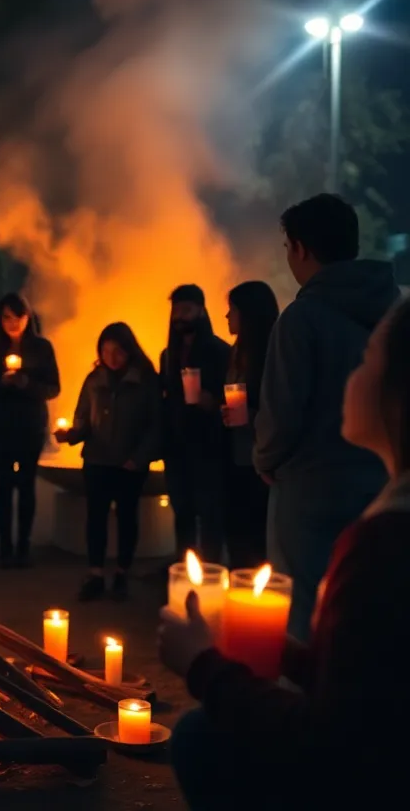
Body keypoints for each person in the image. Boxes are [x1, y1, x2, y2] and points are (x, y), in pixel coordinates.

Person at [159, 296, 410, 810]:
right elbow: (373, 688)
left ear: (399, 394)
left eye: (367, 360)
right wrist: (284, 651)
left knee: (200, 738)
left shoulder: (385, 545)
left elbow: (335, 742)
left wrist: (203, 664)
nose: (351, 373)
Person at [254, 194, 401, 640]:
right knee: (363, 606)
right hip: (381, 485)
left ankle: (305, 701)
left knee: (302, 611)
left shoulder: (302, 319)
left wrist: (265, 461)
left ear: (301, 248)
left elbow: (282, 414)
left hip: (309, 492)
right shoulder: (395, 313)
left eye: (288, 248)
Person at [55, 323, 162, 601]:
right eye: (105, 351)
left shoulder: (146, 380)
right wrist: (72, 434)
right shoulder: (94, 380)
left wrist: (139, 458)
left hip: (129, 464)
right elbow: (82, 418)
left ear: (129, 351)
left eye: (118, 351)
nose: (111, 357)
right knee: (96, 518)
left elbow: (156, 424)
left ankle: (122, 572)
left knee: (128, 518)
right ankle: (96, 573)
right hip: (97, 461)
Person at [0, 294, 60, 568]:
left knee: (26, 486)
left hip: (30, 425)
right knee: (4, 486)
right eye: (6, 317)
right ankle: (5, 546)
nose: (13, 323)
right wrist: (1, 384)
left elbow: (53, 388)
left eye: (18, 317)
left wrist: (27, 383)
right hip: (1, 426)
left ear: (28, 317)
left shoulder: (42, 348)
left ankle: (23, 545)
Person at [159, 285, 231, 564]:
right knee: (183, 515)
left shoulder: (221, 352)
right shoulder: (168, 356)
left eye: (187, 309)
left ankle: (211, 572)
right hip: (178, 448)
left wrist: (212, 403)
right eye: (176, 310)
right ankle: (183, 571)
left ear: (201, 311)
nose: (180, 316)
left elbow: (235, 399)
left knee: (211, 517)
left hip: (210, 447)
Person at [220, 281, 280, 568]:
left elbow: (281, 411)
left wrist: (250, 417)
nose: (227, 316)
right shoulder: (236, 351)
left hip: (262, 462)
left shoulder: (272, 354)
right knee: (236, 535)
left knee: (256, 539)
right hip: (236, 456)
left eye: (232, 310)